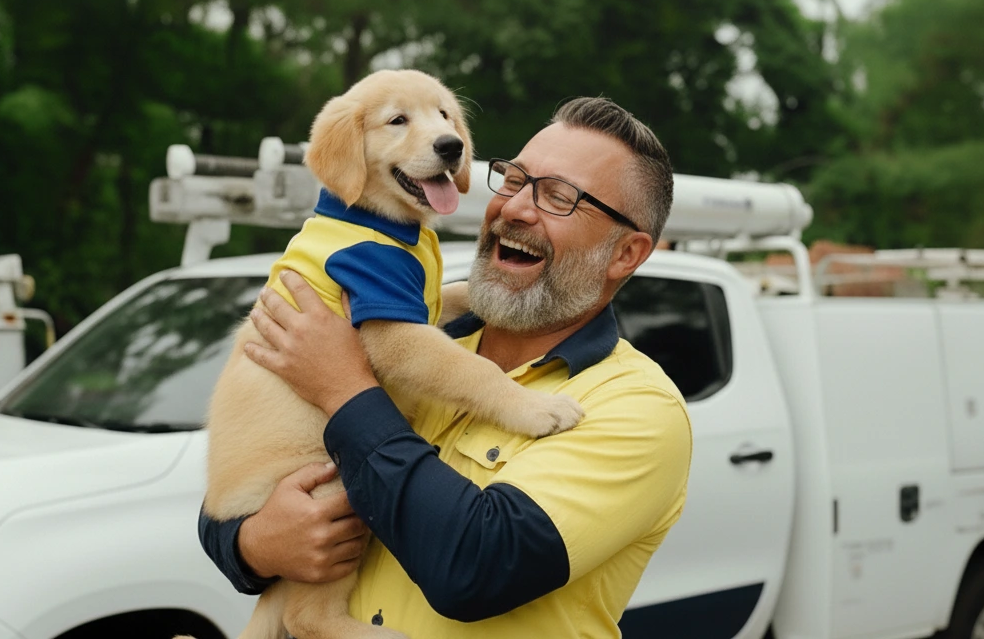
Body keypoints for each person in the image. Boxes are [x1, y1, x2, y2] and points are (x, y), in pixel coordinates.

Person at [199, 97, 692, 638]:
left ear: (626, 254)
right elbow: (243, 482)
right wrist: (255, 544)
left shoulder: (638, 410)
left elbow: (476, 566)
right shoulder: (424, 328)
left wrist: (345, 389)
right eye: (513, 179)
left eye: (559, 197)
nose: (516, 208)